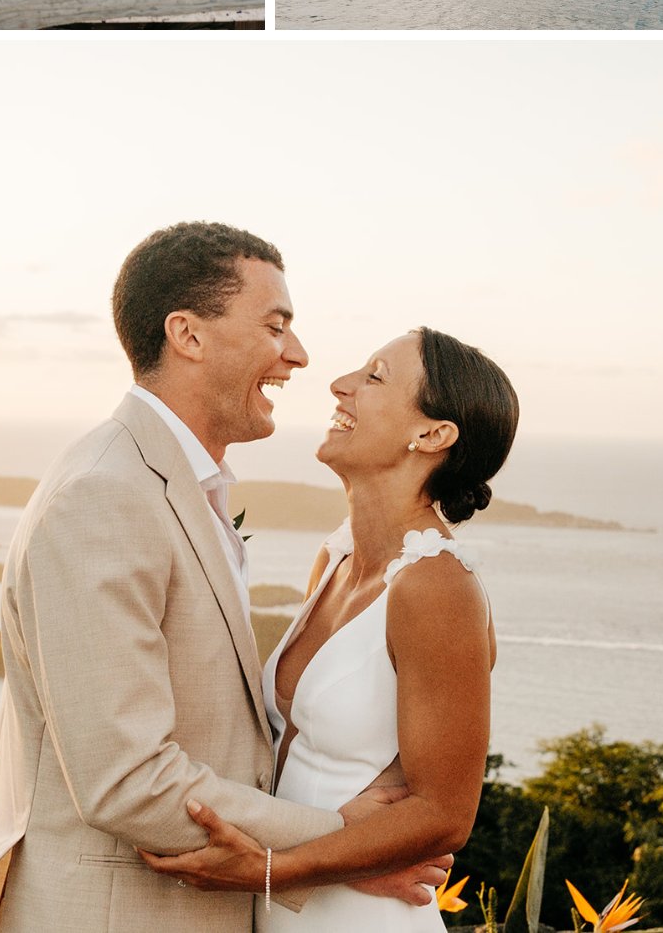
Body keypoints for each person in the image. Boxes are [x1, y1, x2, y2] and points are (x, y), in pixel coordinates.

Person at [0, 223, 447, 933]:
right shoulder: (106, 495)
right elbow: (126, 780)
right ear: (187, 336)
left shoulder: (175, 485)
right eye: (275, 325)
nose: (299, 355)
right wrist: (338, 844)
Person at [140, 328, 519, 930]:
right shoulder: (337, 557)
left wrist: (273, 870)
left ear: (431, 434)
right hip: (288, 903)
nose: (340, 385)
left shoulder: (437, 588)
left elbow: (446, 814)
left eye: (374, 376)